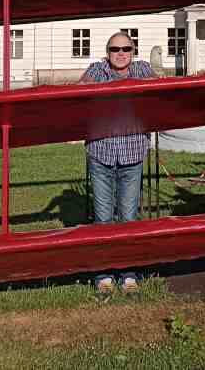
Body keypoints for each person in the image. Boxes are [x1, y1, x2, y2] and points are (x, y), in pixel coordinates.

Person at [79, 31, 157, 294]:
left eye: (126, 49)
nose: (121, 54)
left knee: (128, 216)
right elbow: (78, 92)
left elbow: (162, 90)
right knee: (102, 217)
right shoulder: (97, 70)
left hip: (132, 152)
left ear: (133, 51)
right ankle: (103, 274)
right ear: (107, 52)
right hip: (101, 151)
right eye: (115, 49)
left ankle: (128, 273)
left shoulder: (142, 69)